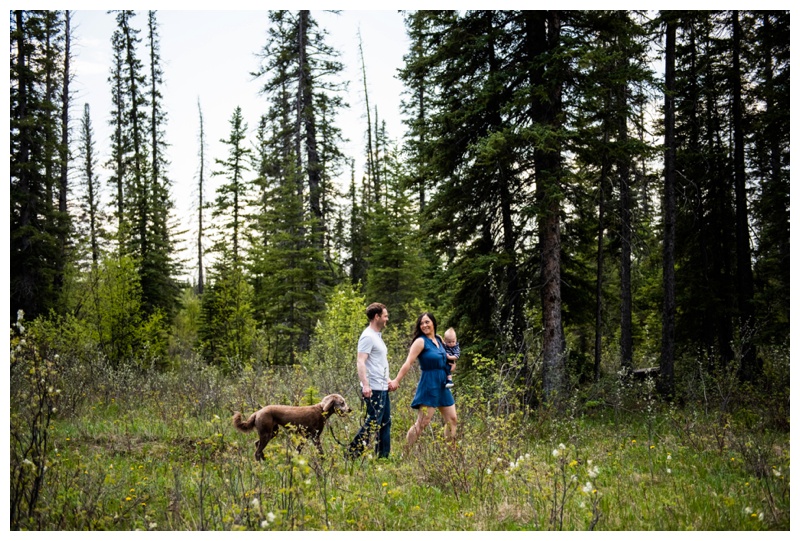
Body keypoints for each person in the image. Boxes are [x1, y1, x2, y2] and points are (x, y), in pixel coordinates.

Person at [388, 312, 457, 450]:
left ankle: (450, 455)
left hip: (443, 384)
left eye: (427, 322)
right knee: (423, 423)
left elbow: (446, 357)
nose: (424, 325)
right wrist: (396, 380)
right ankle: (405, 453)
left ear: (433, 323)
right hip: (429, 383)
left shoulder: (438, 339)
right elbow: (408, 362)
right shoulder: (420, 341)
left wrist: (452, 364)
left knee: (452, 420)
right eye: (422, 323)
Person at [347, 302, 392, 459]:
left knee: (385, 422)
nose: (387, 319)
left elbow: (378, 363)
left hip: (382, 386)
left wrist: (388, 380)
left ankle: (383, 457)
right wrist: (366, 385)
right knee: (373, 422)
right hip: (373, 388)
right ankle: (351, 453)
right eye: (385, 316)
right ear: (376, 316)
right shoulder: (367, 336)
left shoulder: (376, 336)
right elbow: (361, 361)